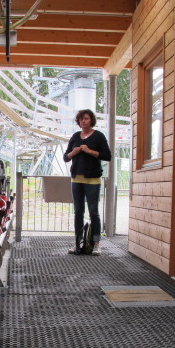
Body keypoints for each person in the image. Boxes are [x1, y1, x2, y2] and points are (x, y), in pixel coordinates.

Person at [63, 109, 111, 255]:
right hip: (76, 178)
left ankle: (96, 243)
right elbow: (66, 157)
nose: (83, 121)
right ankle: (77, 242)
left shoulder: (99, 136)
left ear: (91, 121)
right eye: (81, 119)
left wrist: (90, 151)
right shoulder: (75, 137)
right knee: (78, 211)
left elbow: (107, 156)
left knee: (93, 211)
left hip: (93, 179)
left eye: (86, 119)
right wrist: (74, 152)